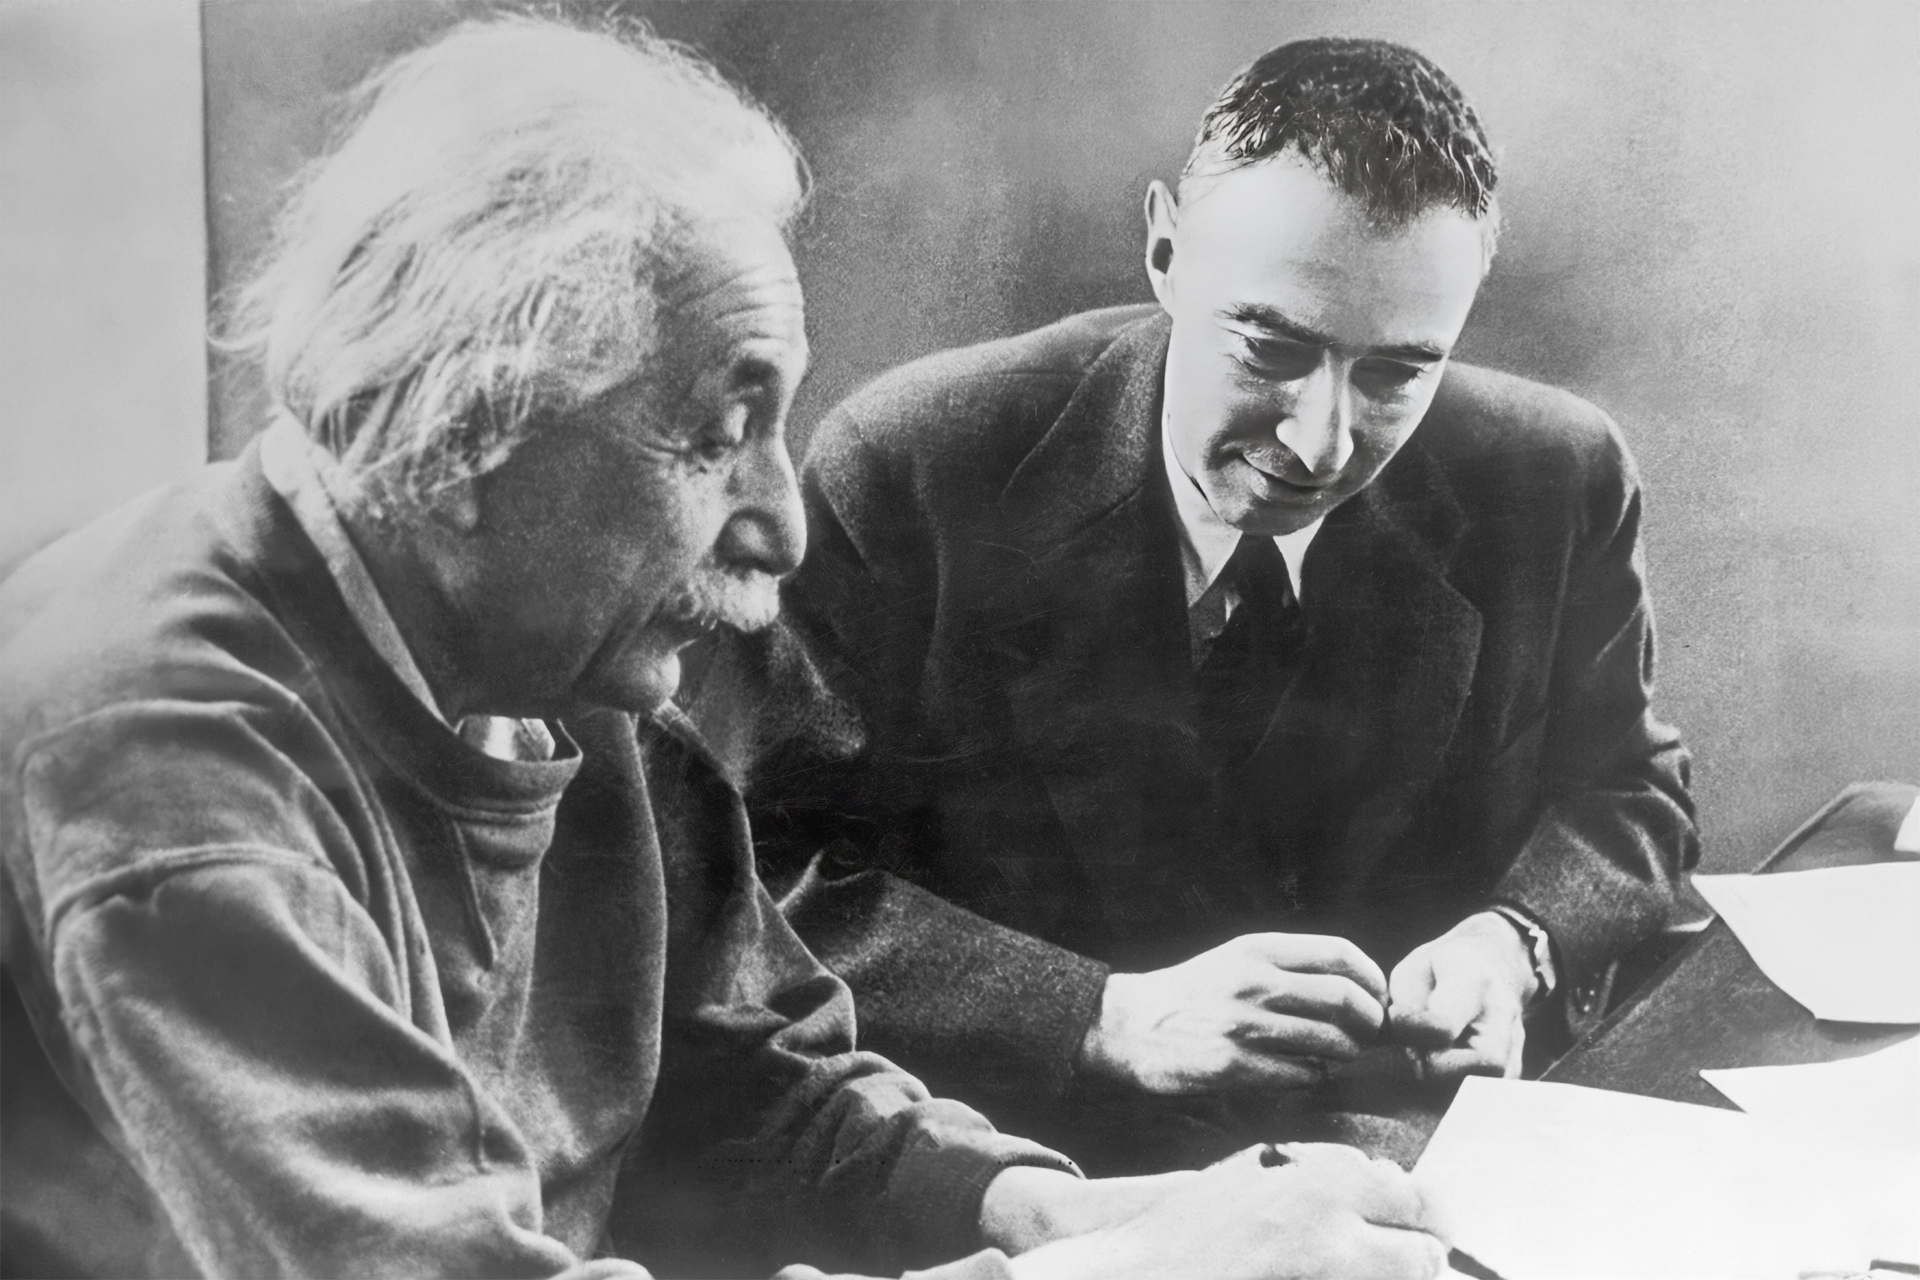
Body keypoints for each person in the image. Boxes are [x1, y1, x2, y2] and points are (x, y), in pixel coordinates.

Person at [0, 17, 1452, 1280]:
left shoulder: (564, 677)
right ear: (470, 426)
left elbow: (767, 1087)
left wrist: (1066, 1216)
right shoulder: (156, 763)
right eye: (716, 431)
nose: (781, 523)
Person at [751, 37, 1699, 1166]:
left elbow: (1631, 788)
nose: (1322, 442)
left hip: (1417, 1156)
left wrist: (1513, 943)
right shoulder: (913, 466)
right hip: (1028, 1162)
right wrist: (1099, 1014)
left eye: (1398, 372)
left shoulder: (1555, 475)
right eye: (1271, 346)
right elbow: (751, 878)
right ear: (1165, 250)